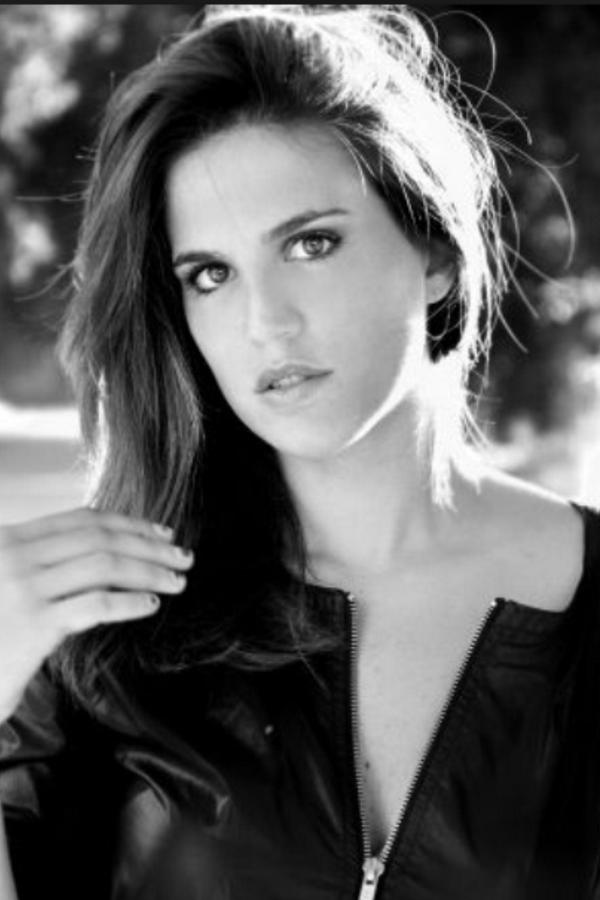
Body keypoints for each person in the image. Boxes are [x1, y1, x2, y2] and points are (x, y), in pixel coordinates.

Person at [0, 4, 598, 899]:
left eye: (312, 244)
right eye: (210, 275)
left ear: (435, 251)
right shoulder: (103, 633)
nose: (265, 323)